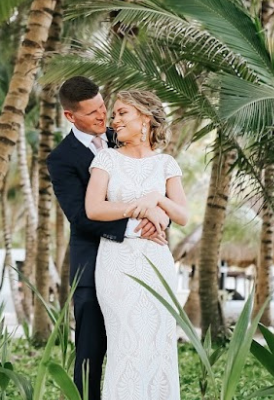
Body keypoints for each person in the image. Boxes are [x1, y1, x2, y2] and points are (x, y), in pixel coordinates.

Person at [46, 77, 168, 400]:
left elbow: (155, 180)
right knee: (90, 353)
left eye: (104, 107)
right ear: (71, 117)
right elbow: (81, 216)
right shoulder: (61, 159)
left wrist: (158, 221)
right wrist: (135, 226)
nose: (104, 118)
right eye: (94, 113)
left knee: (138, 346)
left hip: (140, 264)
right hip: (92, 265)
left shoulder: (123, 135)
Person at [85, 89, 189, 399]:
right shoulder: (107, 159)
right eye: (114, 114)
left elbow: (182, 214)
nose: (114, 120)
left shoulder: (166, 164)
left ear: (145, 117)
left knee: (158, 343)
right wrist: (138, 208)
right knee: (126, 342)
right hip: (118, 262)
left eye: (122, 113)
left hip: (156, 263)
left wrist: (156, 199)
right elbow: (94, 209)